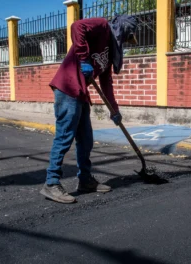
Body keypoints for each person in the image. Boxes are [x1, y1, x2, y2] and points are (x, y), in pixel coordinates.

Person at [40, 15, 138, 203]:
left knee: (86, 140)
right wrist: (84, 58)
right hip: (67, 88)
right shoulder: (101, 26)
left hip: (81, 93)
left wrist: (114, 110)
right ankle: (51, 183)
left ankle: (85, 180)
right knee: (65, 136)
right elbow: (77, 26)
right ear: (123, 30)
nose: (125, 42)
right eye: (126, 37)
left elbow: (106, 82)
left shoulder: (111, 52)